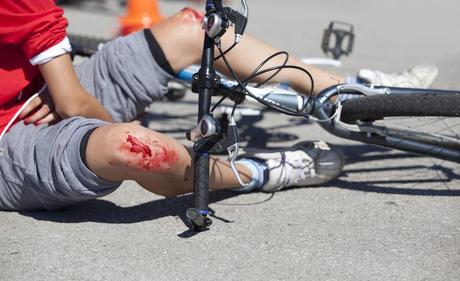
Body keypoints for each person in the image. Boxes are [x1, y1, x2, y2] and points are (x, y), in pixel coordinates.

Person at [0, 1, 438, 211]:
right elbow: (76, 104)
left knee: (195, 28)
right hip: (9, 141)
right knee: (132, 146)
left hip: (47, 91)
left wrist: (70, 98)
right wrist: (114, 121)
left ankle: (339, 92)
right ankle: (257, 172)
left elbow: (73, 97)